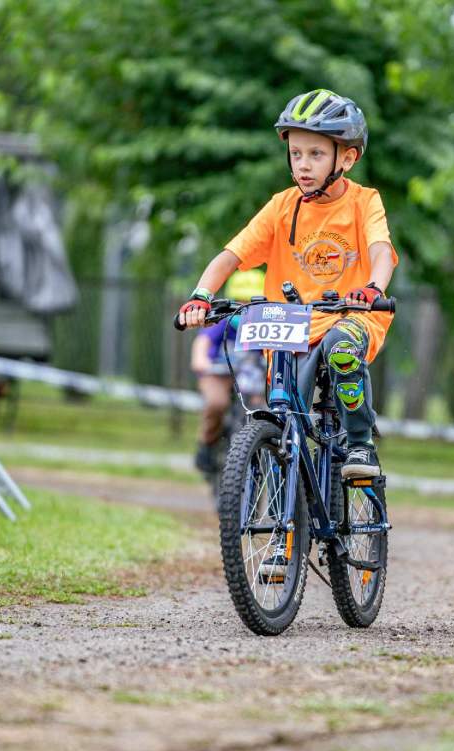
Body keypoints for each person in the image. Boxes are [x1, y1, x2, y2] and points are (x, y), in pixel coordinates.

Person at [177, 88, 398, 479]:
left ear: (347, 158)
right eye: (296, 154)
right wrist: (201, 295)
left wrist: (373, 289)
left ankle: (360, 444)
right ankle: (287, 478)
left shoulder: (364, 202)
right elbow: (232, 254)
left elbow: (380, 250)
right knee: (285, 407)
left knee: (342, 347)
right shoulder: (282, 206)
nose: (303, 165)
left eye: (316, 154)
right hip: (292, 323)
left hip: (351, 315)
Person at [192, 269, 266, 474]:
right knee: (216, 403)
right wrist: (200, 360)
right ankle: (207, 443)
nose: (244, 307)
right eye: (240, 301)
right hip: (217, 372)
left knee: (261, 408)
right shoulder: (222, 321)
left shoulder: (264, 327)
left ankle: (259, 448)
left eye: (251, 303)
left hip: (251, 376)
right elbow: (203, 341)